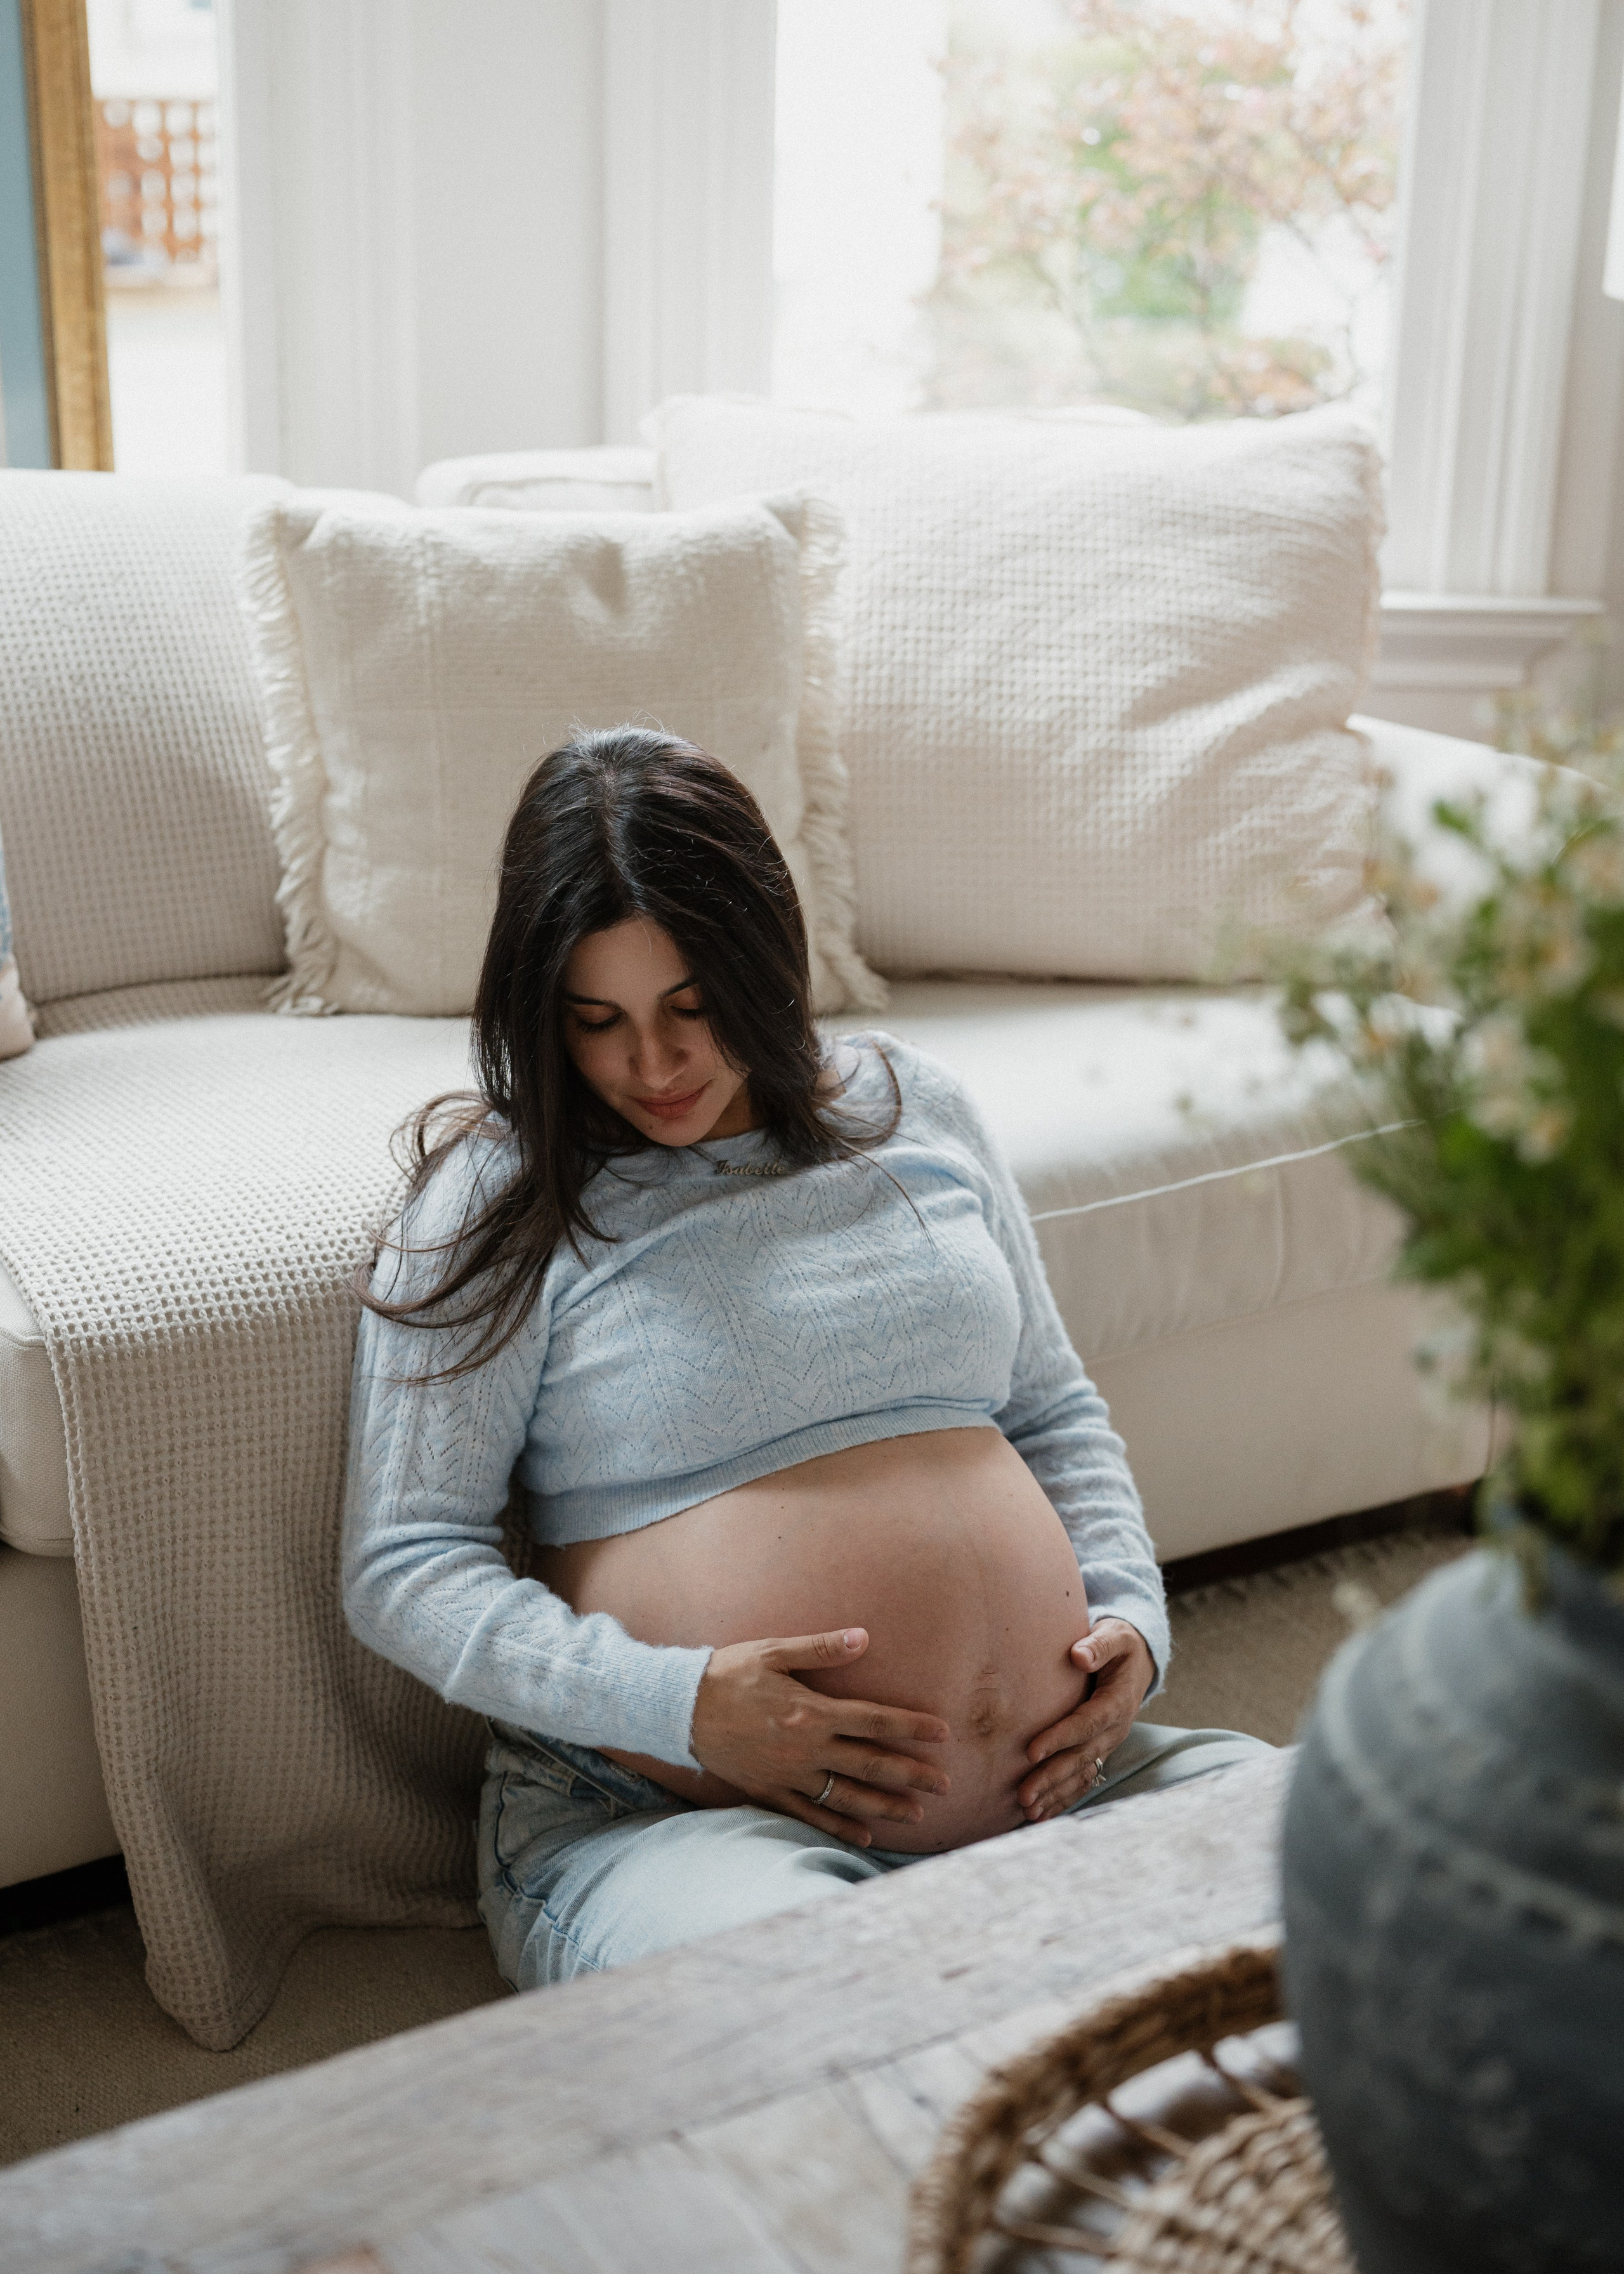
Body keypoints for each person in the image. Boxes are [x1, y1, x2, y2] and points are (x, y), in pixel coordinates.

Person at [343, 726, 1269, 1990]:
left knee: (1354, 1861)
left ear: (762, 966)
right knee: (835, 2007)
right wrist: (681, 1704)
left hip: (1058, 1786)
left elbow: (1047, 1408)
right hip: (670, 1820)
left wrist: (1129, 1625)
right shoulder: (500, 1199)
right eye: (595, 1021)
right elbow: (403, 1566)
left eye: (690, 1005)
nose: (651, 1065)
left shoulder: (913, 1107)